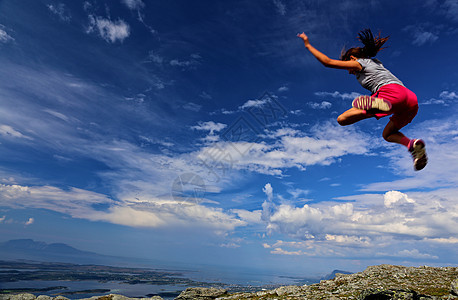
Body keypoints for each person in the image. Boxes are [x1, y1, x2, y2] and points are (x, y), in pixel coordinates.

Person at [297, 29, 427, 171]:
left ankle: (376, 104)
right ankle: (412, 145)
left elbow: (327, 62)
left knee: (342, 119)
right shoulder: (376, 63)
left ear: (352, 58)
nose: (349, 71)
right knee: (387, 134)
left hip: (390, 94)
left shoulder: (359, 63)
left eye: (348, 66)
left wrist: (307, 44)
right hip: (410, 100)